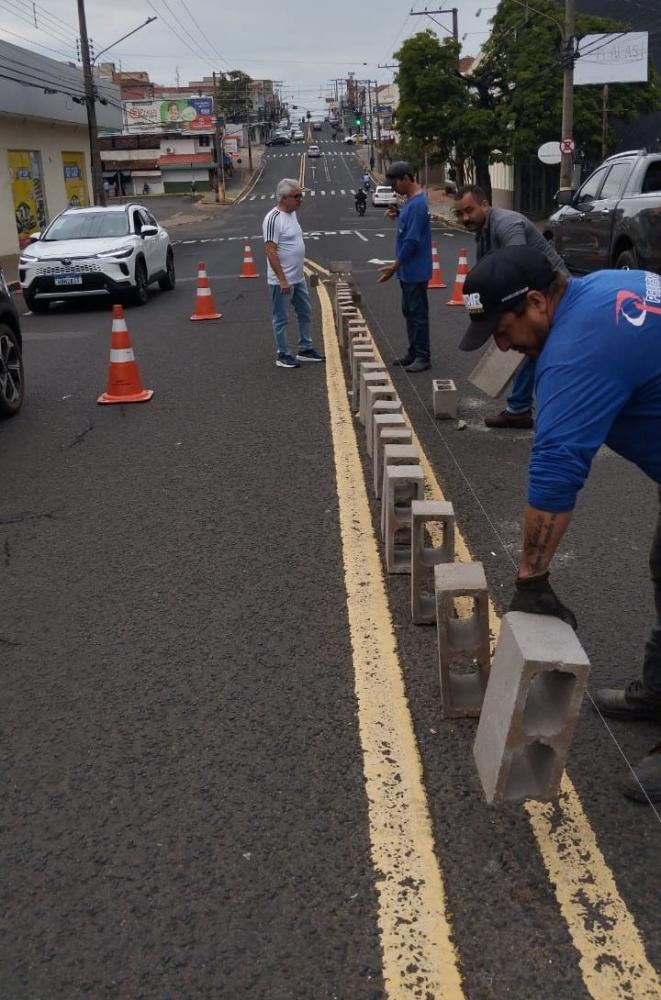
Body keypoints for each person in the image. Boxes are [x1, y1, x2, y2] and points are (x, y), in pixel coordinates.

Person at [459, 244, 661, 803]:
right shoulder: (600, 289)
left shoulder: (575, 352)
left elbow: (555, 474)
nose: (500, 345)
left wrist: (531, 579)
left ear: (537, 302)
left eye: (502, 328)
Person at [455, 184, 566, 430]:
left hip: (547, 289)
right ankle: (520, 407)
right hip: (528, 292)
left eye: (469, 210)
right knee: (527, 347)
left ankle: (521, 408)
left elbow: (516, 268)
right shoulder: (483, 229)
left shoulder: (507, 225)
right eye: (460, 213)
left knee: (533, 344)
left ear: (485, 204)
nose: (465, 218)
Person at [262, 178, 325, 369]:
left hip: (298, 278)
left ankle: (305, 348)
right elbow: (270, 250)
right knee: (281, 318)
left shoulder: (292, 214)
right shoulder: (273, 218)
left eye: (301, 195)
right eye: (297, 196)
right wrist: (282, 279)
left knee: (305, 312)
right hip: (281, 280)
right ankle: (283, 354)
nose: (301, 200)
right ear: (283, 198)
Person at [377, 160, 433, 372]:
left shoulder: (418, 204)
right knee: (409, 311)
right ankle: (413, 351)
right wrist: (398, 215)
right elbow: (410, 226)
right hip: (408, 271)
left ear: (407, 179)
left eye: (395, 183)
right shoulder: (410, 203)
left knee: (418, 314)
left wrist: (394, 266)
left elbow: (412, 241)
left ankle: (423, 356)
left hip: (415, 270)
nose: (393, 188)